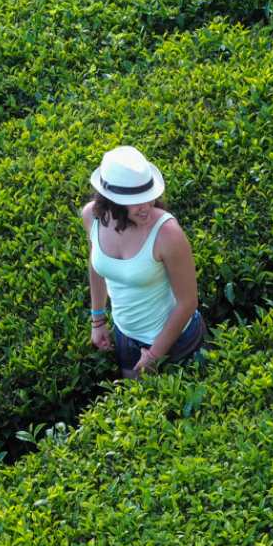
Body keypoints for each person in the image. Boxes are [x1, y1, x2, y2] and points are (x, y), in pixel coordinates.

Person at [81, 145, 206, 378]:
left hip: (178, 339)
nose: (147, 205)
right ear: (112, 201)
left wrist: (154, 354)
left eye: (149, 197)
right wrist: (97, 321)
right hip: (125, 337)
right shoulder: (92, 217)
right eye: (136, 200)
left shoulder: (167, 233)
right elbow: (97, 268)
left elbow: (188, 302)